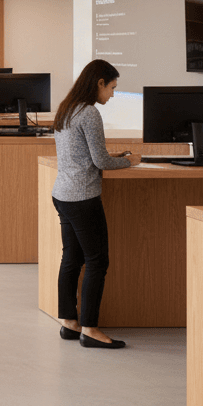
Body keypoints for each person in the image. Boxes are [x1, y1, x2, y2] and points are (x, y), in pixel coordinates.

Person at [51, 59, 134, 349]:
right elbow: (100, 162)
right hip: (83, 197)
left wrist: (113, 155)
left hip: (62, 193)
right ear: (99, 83)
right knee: (97, 261)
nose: (111, 94)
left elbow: (82, 153)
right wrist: (128, 161)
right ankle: (90, 328)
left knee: (71, 258)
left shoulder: (67, 107)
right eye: (111, 88)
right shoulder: (89, 113)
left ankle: (69, 323)